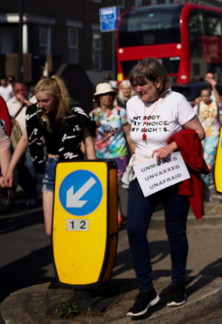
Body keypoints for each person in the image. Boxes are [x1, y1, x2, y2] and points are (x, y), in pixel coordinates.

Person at [123, 58, 206, 317]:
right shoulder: (132, 104)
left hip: (172, 172)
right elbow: (133, 134)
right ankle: (146, 290)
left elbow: (199, 132)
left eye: (143, 85)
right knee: (135, 228)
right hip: (144, 172)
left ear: (158, 82)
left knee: (175, 231)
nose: (138, 90)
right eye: (135, 85)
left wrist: (171, 146)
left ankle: (178, 284)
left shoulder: (176, 101)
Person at [7, 76, 96, 235]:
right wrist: (9, 169)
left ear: (58, 97)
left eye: (45, 101)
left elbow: (88, 142)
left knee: (74, 225)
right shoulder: (36, 113)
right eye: (38, 100)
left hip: (74, 168)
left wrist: (93, 172)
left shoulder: (75, 114)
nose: (41, 105)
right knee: (50, 230)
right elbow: (25, 139)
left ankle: (74, 257)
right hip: (52, 166)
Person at [89, 82, 133, 224]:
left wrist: (133, 153)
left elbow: (128, 134)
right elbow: (88, 137)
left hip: (119, 155)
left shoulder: (120, 112)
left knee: (112, 185)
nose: (107, 97)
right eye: (103, 95)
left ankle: (114, 217)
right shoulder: (93, 115)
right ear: (98, 98)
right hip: (100, 156)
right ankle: (118, 214)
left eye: (109, 94)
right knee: (106, 186)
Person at [5, 81, 37, 206]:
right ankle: (18, 194)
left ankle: (31, 195)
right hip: (15, 141)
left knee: (29, 167)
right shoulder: (9, 104)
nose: (20, 93)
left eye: (22, 90)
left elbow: (37, 113)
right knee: (16, 169)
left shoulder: (33, 101)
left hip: (30, 141)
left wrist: (25, 102)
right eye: (17, 91)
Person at [194, 85, 222, 188]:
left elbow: (221, 117)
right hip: (201, 136)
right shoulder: (198, 106)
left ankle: (205, 181)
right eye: (203, 96)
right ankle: (209, 178)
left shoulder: (216, 104)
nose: (205, 98)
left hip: (214, 134)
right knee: (202, 158)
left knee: (209, 158)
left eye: (207, 95)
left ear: (210, 95)